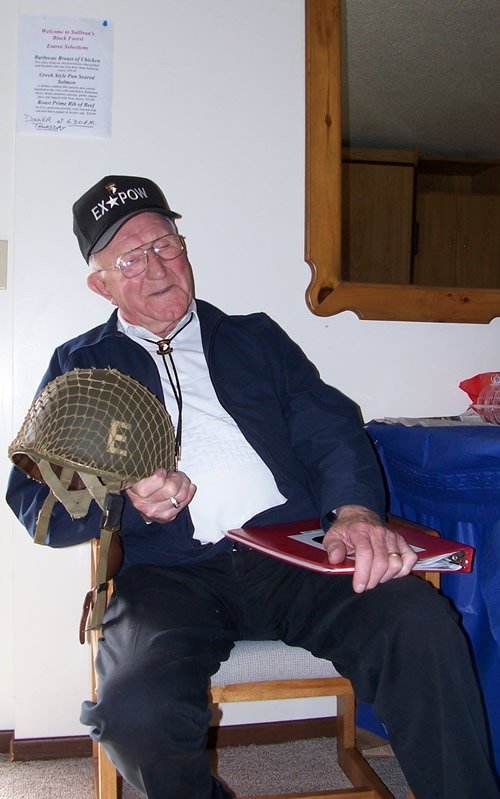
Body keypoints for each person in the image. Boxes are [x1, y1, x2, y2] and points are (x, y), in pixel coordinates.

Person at [6, 175, 499, 799]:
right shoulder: (80, 366)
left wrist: (355, 511)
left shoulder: (254, 337)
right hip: (169, 577)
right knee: (135, 715)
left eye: (165, 244)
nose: (156, 266)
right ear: (99, 284)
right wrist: (124, 499)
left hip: (297, 554)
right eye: (130, 258)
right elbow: (37, 503)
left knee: (420, 625)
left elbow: (328, 426)